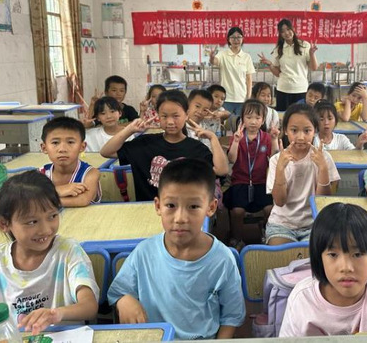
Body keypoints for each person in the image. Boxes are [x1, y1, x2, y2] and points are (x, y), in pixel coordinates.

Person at [107, 158, 245, 339]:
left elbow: (231, 316)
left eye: (193, 206)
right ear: (158, 206)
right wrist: (124, 300)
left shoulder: (222, 260)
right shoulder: (144, 253)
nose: (180, 218)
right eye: (171, 206)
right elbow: (118, 291)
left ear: (211, 207)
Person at [0, 171, 99, 334]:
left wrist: (57, 314)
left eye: (52, 216)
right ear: (4, 223)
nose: (45, 229)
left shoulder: (68, 252)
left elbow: (89, 306)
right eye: (32, 222)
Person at [280, 203, 367, 336]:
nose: (346, 268)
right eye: (333, 255)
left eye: (357, 254)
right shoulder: (302, 298)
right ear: (319, 258)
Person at [100, 89, 228, 201]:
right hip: (147, 209)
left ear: (186, 114)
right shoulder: (144, 143)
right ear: (158, 115)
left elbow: (222, 170)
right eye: (164, 116)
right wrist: (130, 129)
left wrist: (213, 138)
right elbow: (106, 152)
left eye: (176, 116)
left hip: (182, 211)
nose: (170, 122)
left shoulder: (196, 148)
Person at [266, 103, 340, 245]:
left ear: (315, 131)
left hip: (314, 223)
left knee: (311, 253)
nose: (300, 137)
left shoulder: (323, 158)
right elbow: (280, 201)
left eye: (307, 131)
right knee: (282, 254)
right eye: (294, 130)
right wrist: (280, 169)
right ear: (285, 130)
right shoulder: (276, 160)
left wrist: (323, 168)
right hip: (282, 224)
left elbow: (322, 201)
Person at [226, 99, 279, 250]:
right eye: (249, 117)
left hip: (261, 182)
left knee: (270, 209)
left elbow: (274, 158)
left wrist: (274, 139)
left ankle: (267, 233)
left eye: (257, 117)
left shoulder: (266, 137)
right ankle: (237, 238)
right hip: (240, 181)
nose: (253, 121)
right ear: (242, 119)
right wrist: (236, 142)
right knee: (237, 211)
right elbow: (231, 159)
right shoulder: (237, 136)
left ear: (263, 120)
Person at [258, 19, 319, 111]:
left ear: (293, 29)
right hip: (283, 89)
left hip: (301, 89)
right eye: (283, 31)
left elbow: (314, 67)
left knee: (300, 116)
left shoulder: (305, 45)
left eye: (288, 29)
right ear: (280, 34)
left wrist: (311, 53)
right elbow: (278, 73)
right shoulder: (278, 49)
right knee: (283, 116)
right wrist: (270, 65)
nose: (286, 33)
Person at [40, 117, 101, 207]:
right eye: (55, 143)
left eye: (70, 142)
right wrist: (58, 190)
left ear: (82, 147)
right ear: (44, 148)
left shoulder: (91, 173)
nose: (62, 149)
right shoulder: (41, 173)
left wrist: (43, 199)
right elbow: (26, 197)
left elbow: (83, 200)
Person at [209, 27, 256, 116]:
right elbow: (215, 61)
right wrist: (211, 57)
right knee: (226, 122)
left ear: (242, 39)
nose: (236, 40)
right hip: (226, 98)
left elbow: (249, 79)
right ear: (229, 39)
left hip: (242, 98)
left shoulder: (246, 57)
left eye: (238, 37)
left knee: (240, 122)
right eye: (233, 37)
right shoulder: (223, 54)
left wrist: (248, 97)